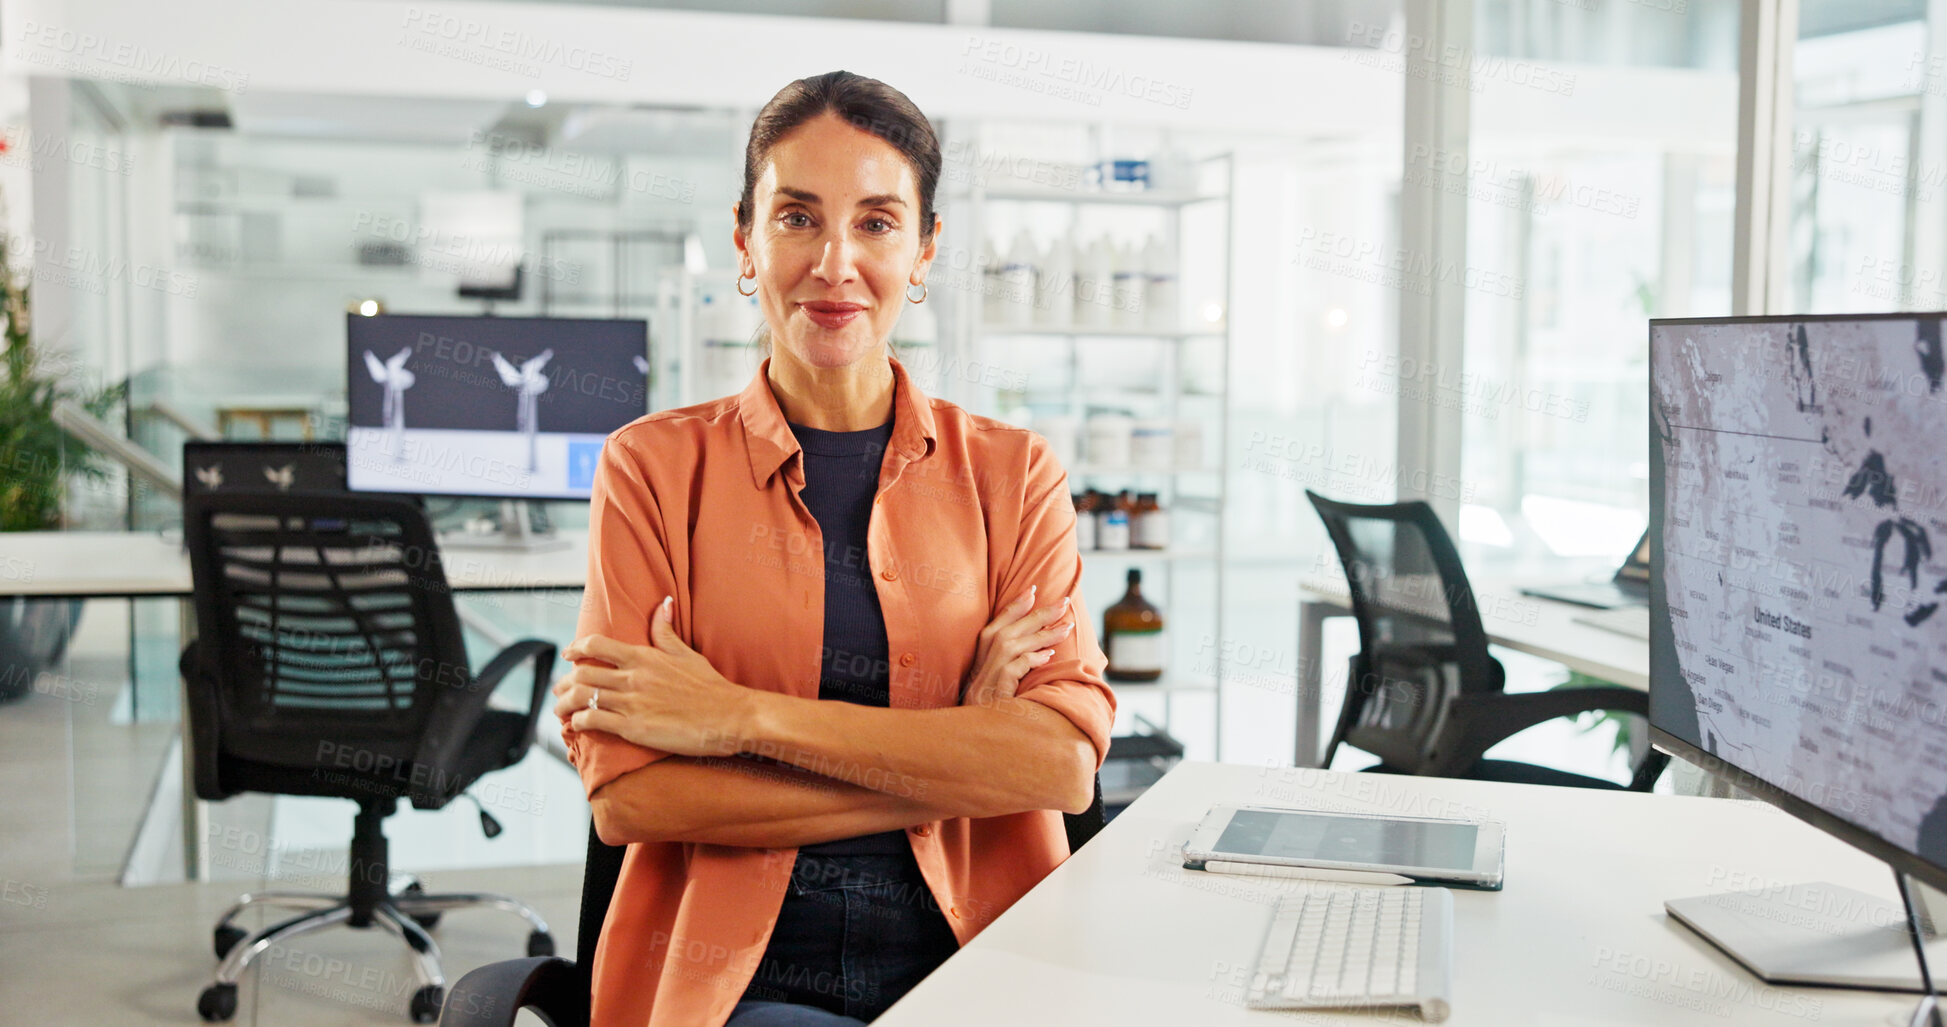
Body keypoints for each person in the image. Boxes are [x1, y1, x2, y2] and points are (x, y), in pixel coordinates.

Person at [550, 70, 1117, 1027]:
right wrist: (954, 756)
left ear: (925, 250)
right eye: (798, 218)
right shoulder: (651, 469)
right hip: (742, 978)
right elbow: (633, 799)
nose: (835, 263)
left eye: (878, 222)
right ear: (745, 239)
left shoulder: (1013, 475)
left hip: (987, 962)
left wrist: (734, 717)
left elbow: (1058, 766)